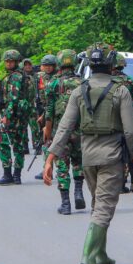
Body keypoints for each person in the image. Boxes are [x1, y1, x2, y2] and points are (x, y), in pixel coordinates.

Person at [43, 42, 133, 264]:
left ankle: (101, 254)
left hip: (88, 156)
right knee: (104, 208)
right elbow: (130, 131)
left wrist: (50, 157)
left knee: (98, 203)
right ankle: (87, 259)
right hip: (111, 156)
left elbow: (64, 126)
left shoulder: (79, 91)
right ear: (111, 63)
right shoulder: (121, 91)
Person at [43, 49, 85, 214]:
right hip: (80, 130)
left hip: (60, 131)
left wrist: (47, 131)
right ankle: (79, 192)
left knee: (62, 165)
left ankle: (66, 204)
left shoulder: (53, 84)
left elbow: (49, 111)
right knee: (78, 162)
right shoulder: (83, 83)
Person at [0, 50, 32, 186]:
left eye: (11, 61)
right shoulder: (20, 76)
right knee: (18, 145)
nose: (8, 63)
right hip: (21, 116)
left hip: (13, 117)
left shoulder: (15, 77)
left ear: (16, 62)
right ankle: (17, 175)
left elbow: (14, 98)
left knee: (3, 143)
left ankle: (8, 174)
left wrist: (7, 116)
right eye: (7, 61)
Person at [113, 53, 133, 193]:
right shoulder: (130, 82)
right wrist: (130, 115)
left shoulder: (109, 82)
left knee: (117, 154)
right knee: (131, 151)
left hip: (114, 124)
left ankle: (120, 182)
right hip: (128, 122)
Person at [33, 55, 58, 180]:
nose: (47, 68)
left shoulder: (57, 79)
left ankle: (60, 169)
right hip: (44, 111)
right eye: (45, 65)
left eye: (50, 65)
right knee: (46, 140)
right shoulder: (40, 78)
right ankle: (47, 169)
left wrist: (45, 114)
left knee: (56, 141)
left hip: (55, 112)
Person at [22, 58, 41, 152]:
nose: (28, 66)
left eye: (29, 65)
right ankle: (25, 146)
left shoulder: (36, 76)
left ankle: (37, 145)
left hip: (33, 105)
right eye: (26, 65)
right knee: (23, 127)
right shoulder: (20, 76)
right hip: (23, 105)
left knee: (35, 127)